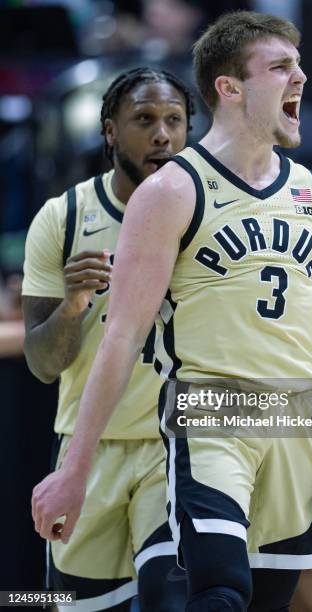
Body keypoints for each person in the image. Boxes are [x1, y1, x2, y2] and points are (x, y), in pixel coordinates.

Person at [31, 12, 312, 611]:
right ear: (229, 88)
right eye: (281, 67)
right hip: (209, 414)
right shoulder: (172, 192)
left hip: (297, 421)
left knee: (269, 601)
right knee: (217, 593)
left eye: (300, 64)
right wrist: (74, 471)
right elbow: (122, 337)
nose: (301, 78)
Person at [23, 67, 194, 612]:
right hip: (87, 448)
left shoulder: (207, 211)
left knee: (173, 597)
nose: (162, 135)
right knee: (74, 606)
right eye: (144, 120)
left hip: (175, 445)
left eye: (175, 120)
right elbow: (43, 364)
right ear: (110, 132)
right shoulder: (65, 217)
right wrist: (73, 308)